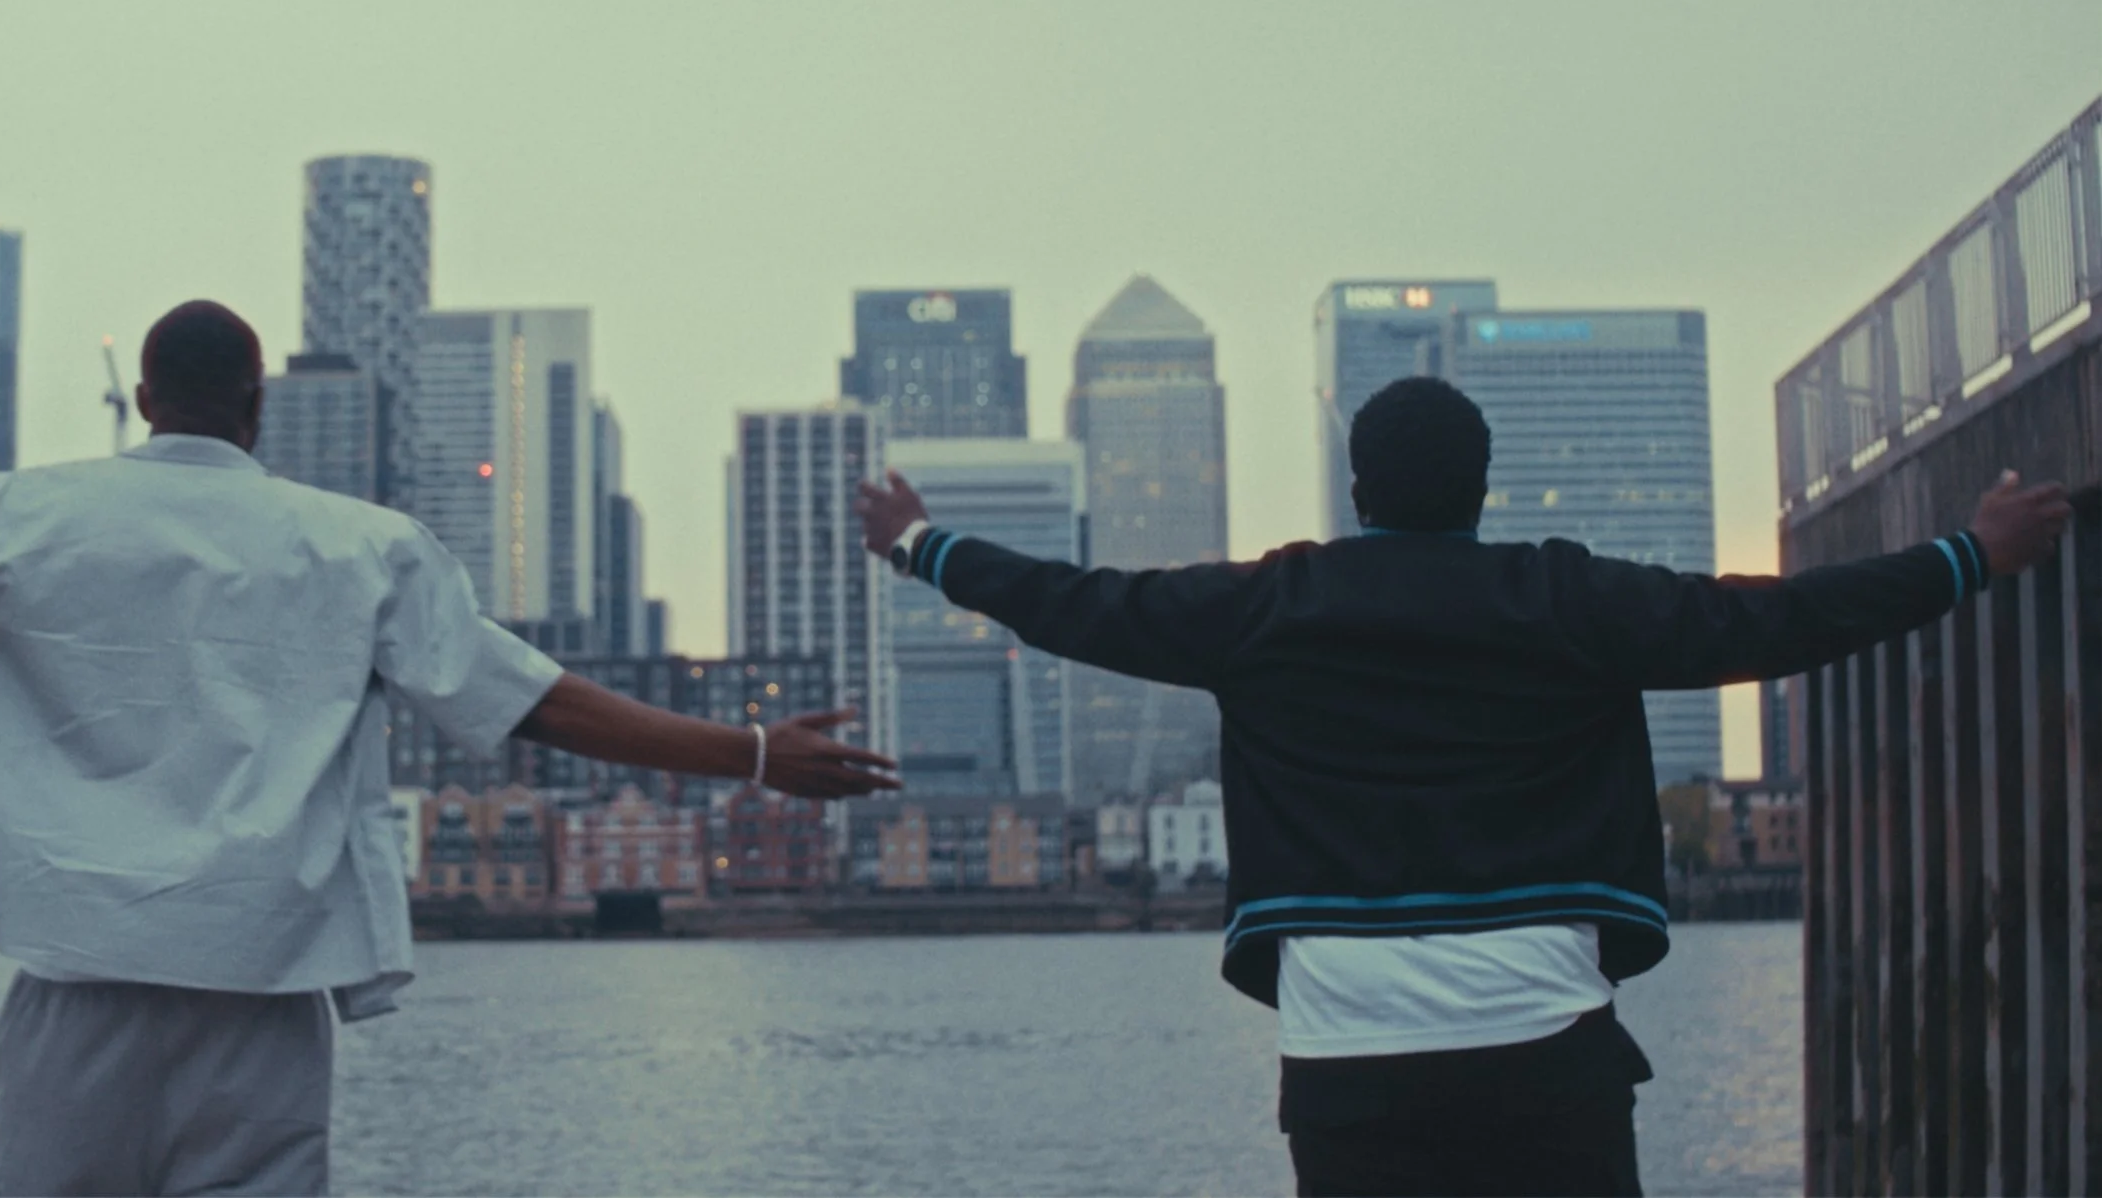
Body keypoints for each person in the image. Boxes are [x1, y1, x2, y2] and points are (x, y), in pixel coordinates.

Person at [0, 300, 899, 1197]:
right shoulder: (364, 544)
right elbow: (539, 702)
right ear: (257, 405)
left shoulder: (21, 516)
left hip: (81, 988)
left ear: (144, 398)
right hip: (269, 995)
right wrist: (750, 752)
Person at [855, 374, 2069, 1198]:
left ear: (1357, 490)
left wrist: (920, 543)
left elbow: (1074, 602)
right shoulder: (1565, 597)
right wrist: (1971, 552)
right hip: (1545, 1048)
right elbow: (1782, 618)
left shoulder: (1268, 605)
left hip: (1345, 1061)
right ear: (1482, 487)